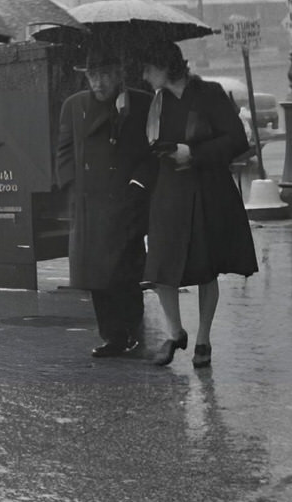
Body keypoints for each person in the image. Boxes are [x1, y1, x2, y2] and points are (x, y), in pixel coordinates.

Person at [139, 39, 259, 368]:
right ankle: (175, 332)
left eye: (149, 69)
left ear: (165, 67)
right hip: (169, 193)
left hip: (209, 190)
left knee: (207, 268)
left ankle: (203, 339)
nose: (145, 75)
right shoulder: (157, 102)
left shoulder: (210, 94)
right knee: (161, 267)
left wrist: (193, 153)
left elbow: (237, 139)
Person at [55, 45, 153, 359]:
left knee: (125, 271)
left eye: (104, 76)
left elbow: (153, 151)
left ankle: (133, 332)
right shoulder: (74, 105)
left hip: (126, 200)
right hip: (89, 204)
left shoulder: (139, 103)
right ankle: (112, 336)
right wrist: (72, 186)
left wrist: (138, 184)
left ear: (117, 75)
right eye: (92, 76)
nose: (97, 83)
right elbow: (64, 150)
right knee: (96, 274)